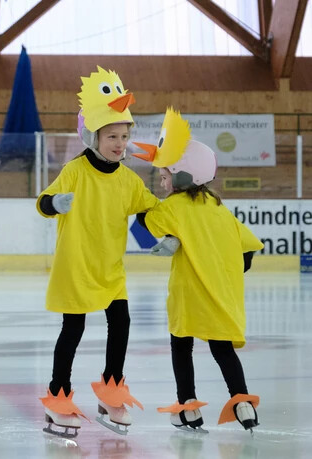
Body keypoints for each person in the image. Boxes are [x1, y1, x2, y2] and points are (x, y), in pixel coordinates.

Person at [36, 66, 158, 437]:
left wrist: (166, 228)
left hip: (110, 269)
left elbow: (151, 209)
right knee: (73, 329)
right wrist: (55, 202)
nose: (120, 144)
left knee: (121, 322)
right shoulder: (74, 170)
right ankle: (58, 396)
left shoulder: (129, 179)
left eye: (124, 136)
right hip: (76, 266)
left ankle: (111, 390)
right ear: (93, 135)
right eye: (111, 136)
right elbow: (42, 202)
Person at [133, 107, 263, 433]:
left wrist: (150, 215)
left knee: (181, 345)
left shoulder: (174, 207)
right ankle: (242, 402)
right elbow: (247, 250)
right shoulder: (219, 208)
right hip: (221, 294)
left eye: (164, 176)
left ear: (181, 175)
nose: (161, 182)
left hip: (188, 294)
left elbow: (142, 228)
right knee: (222, 350)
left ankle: (188, 407)